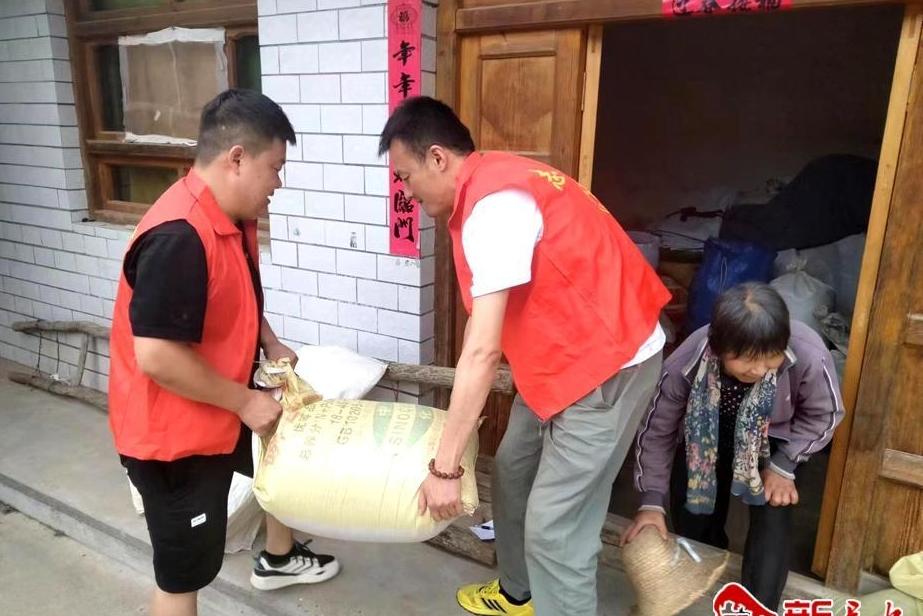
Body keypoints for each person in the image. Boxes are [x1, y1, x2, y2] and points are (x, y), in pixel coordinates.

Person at [379, 96, 671, 616]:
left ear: (438, 158)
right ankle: (519, 594)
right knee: (513, 471)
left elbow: (482, 351)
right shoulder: (490, 184)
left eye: (405, 175)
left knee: (556, 532)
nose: (406, 190)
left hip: (606, 366)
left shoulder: (496, 208)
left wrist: (444, 469)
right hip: (558, 362)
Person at [108, 89, 339, 616]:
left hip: (213, 406)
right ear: (237, 158)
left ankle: (279, 557)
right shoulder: (178, 237)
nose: (278, 184)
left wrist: (269, 341)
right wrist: (245, 401)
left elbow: (231, 294)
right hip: (171, 439)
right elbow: (157, 356)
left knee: (281, 448)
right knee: (183, 575)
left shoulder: (228, 216)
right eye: (275, 168)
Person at [624, 282, 845, 611]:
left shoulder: (809, 353)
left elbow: (825, 414)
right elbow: (657, 430)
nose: (759, 370)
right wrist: (651, 501)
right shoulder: (688, 361)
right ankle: (702, 578)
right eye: (748, 360)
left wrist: (784, 466)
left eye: (769, 359)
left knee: (773, 514)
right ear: (719, 348)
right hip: (705, 433)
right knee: (693, 509)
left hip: (774, 439)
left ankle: (759, 605)